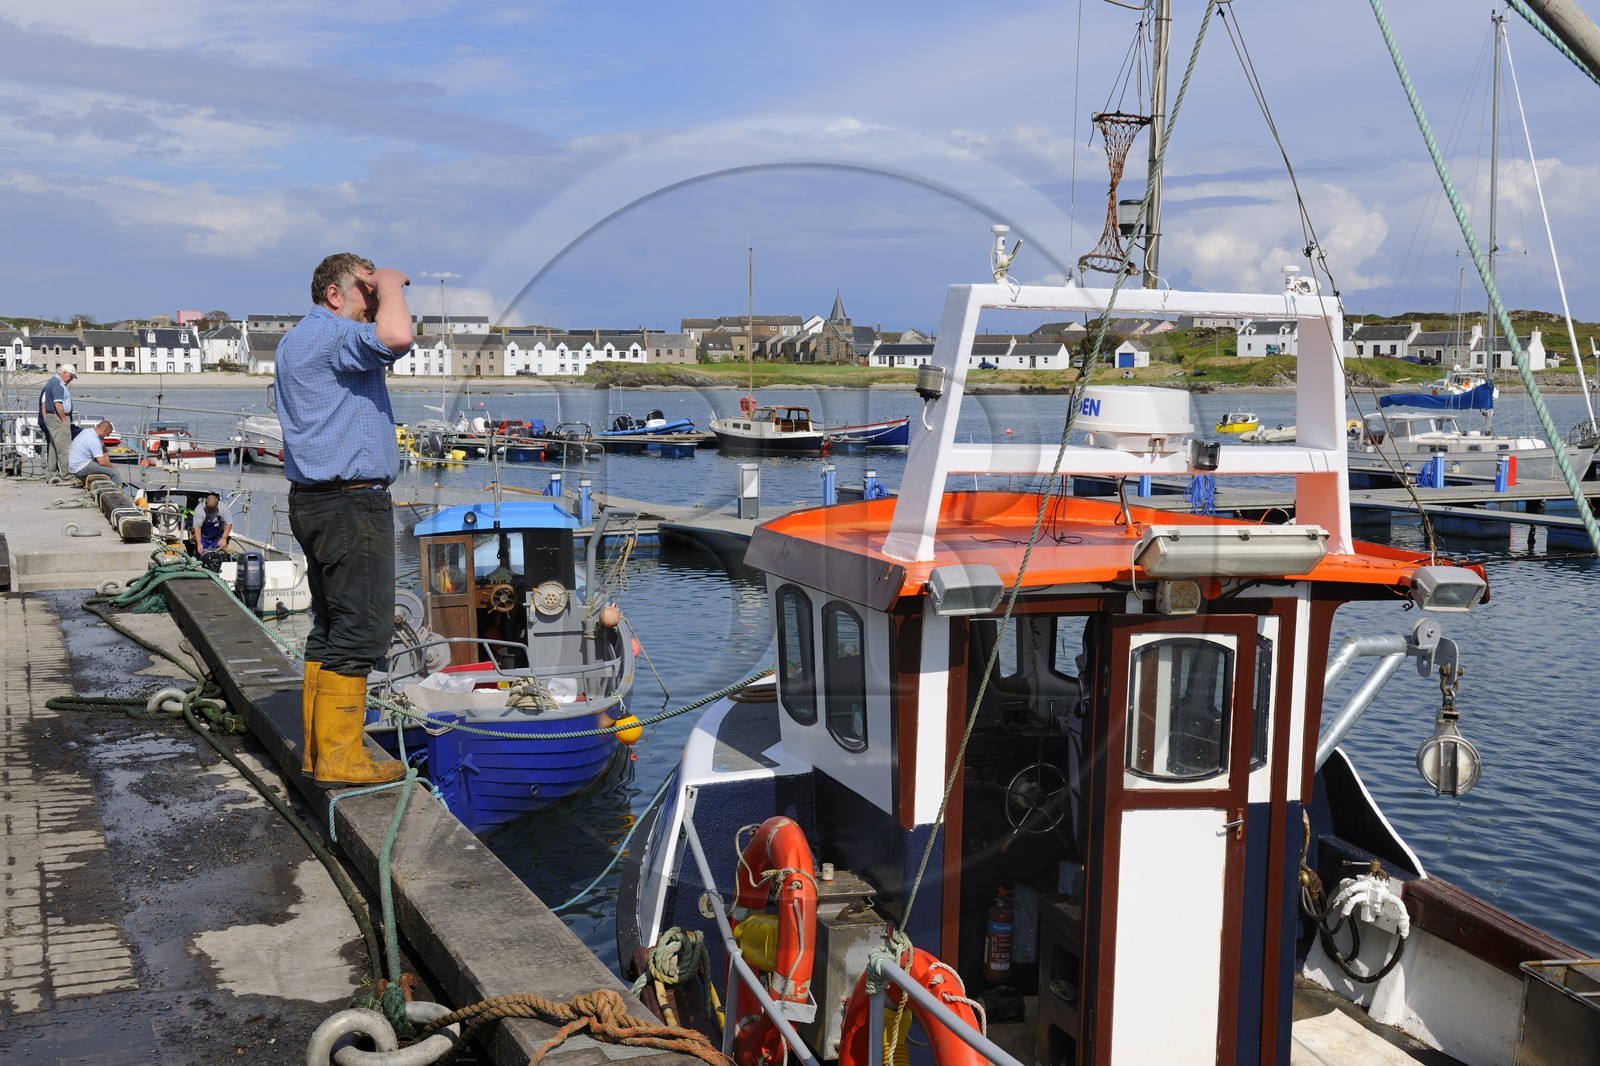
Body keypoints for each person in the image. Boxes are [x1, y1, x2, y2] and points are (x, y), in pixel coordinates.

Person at [276, 253, 413, 788]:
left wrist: (376, 291)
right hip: (351, 505)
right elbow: (398, 337)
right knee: (363, 630)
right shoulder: (334, 336)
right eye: (365, 288)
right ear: (334, 294)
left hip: (315, 500)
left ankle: (319, 750)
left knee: (330, 627)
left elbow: (389, 336)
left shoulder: (296, 340)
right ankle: (339, 757)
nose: (375, 298)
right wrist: (395, 281)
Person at [38, 364, 75, 477]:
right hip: (57, 417)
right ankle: (66, 474)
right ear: (65, 373)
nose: (71, 379)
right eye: (71, 376)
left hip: (51, 416)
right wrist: (64, 419)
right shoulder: (58, 384)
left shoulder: (52, 382)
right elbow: (58, 403)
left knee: (54, 446)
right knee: (64, 446)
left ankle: (52, 473)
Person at [66, 419, 116, 483]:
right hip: (79, 468)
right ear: (104, 431)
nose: (108, 436)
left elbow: (104, 450)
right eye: (108, 434)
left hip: (74, 465)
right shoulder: (94, 439)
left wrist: (108, 464)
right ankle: (117, 489)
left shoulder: (89, 431)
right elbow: (102, 462)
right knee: (114, 473)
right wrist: (112, 468)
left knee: (108, 469)